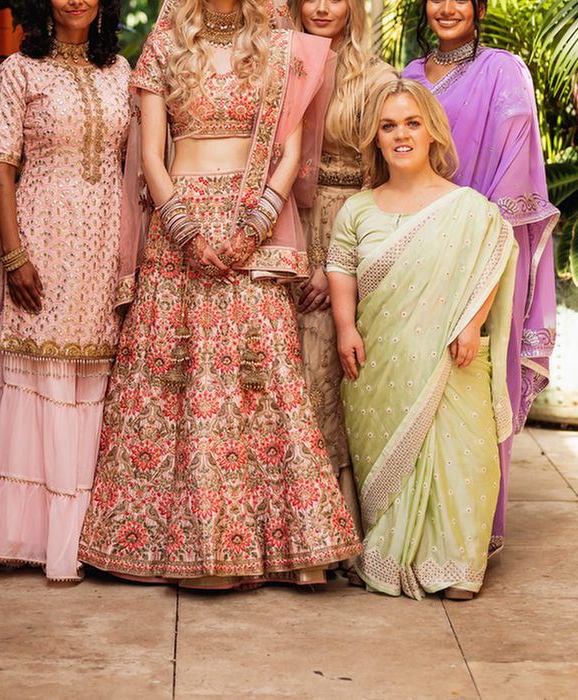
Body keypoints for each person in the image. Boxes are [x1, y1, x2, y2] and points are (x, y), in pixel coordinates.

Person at [78, 0, 362, 589]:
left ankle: (285, 547)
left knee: (261, 383)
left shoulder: (282, 44)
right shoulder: (164, 45)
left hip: (251, 220)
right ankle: (176, 546)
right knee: (177, 385)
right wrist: (183, 228)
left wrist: (256, 223)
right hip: (178, 228)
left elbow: (290, 148)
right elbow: (152, 156)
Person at [327, 78, 518, 600]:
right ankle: (390, 554)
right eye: (389, 126)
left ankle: (456, 566)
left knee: (463, 455)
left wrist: (470, 324)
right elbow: (340, 268)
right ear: (375, 139)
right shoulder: (358, 209)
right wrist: (345, 327)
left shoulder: (469, 207)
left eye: (412, 123)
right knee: (386, 455)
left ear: (432, 131)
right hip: (380, 360)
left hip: (452, 357)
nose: (401, 135)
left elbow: (493, 263)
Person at [402, 0, 559, 555]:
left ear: (480, 7)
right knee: (417, 386)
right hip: (416, 252)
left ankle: (471, 534)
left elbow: (516, 165)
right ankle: (417, 530)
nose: (446, 7)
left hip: (484, 252)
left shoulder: (504, 72)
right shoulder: (409, 78)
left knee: (475, 385)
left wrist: (471, 241)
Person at [0, 0, 130, 582]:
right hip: (40, 229)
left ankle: (89, 537)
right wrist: (12, 254)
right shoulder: (18, 69)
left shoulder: (121, 69)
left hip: (103, 236)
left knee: (93, 371)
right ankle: (38, 537)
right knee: (42, 372)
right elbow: (1, 168)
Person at [287, 0, 395, 580]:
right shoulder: (275, 61)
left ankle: (326, 543)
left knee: (325, 375)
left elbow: (382, 179)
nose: (322, 6)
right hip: (277, 225)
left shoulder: (376, 78)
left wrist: (337, 265)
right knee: (279, 378)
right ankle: (281, 536)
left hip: (348, 226)